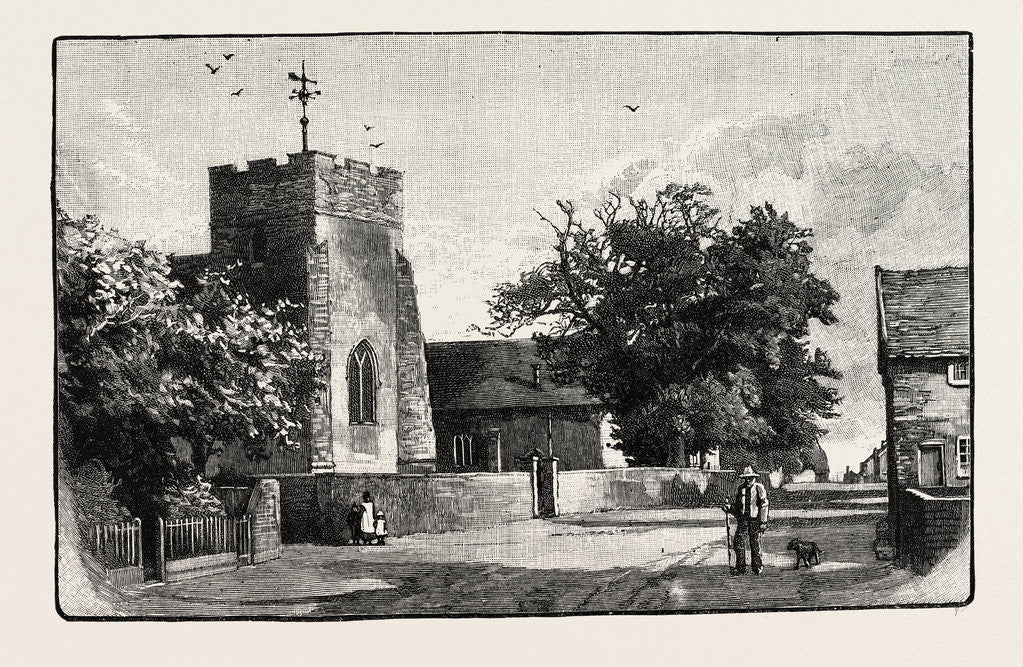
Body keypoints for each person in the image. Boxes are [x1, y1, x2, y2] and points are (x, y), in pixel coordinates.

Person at [722, 466, 769, 575]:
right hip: (743, 521)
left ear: (754, 478)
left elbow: (764, 505)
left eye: (750, 478)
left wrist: (763, 521)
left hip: (754, 520)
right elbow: (738, 507)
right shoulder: (741, 488)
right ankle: (741, 567)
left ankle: (757, 567)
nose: (748, 480)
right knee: (738, 543)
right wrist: (729, 508)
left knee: (755, 544)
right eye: (746, 478)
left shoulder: (759, 488)